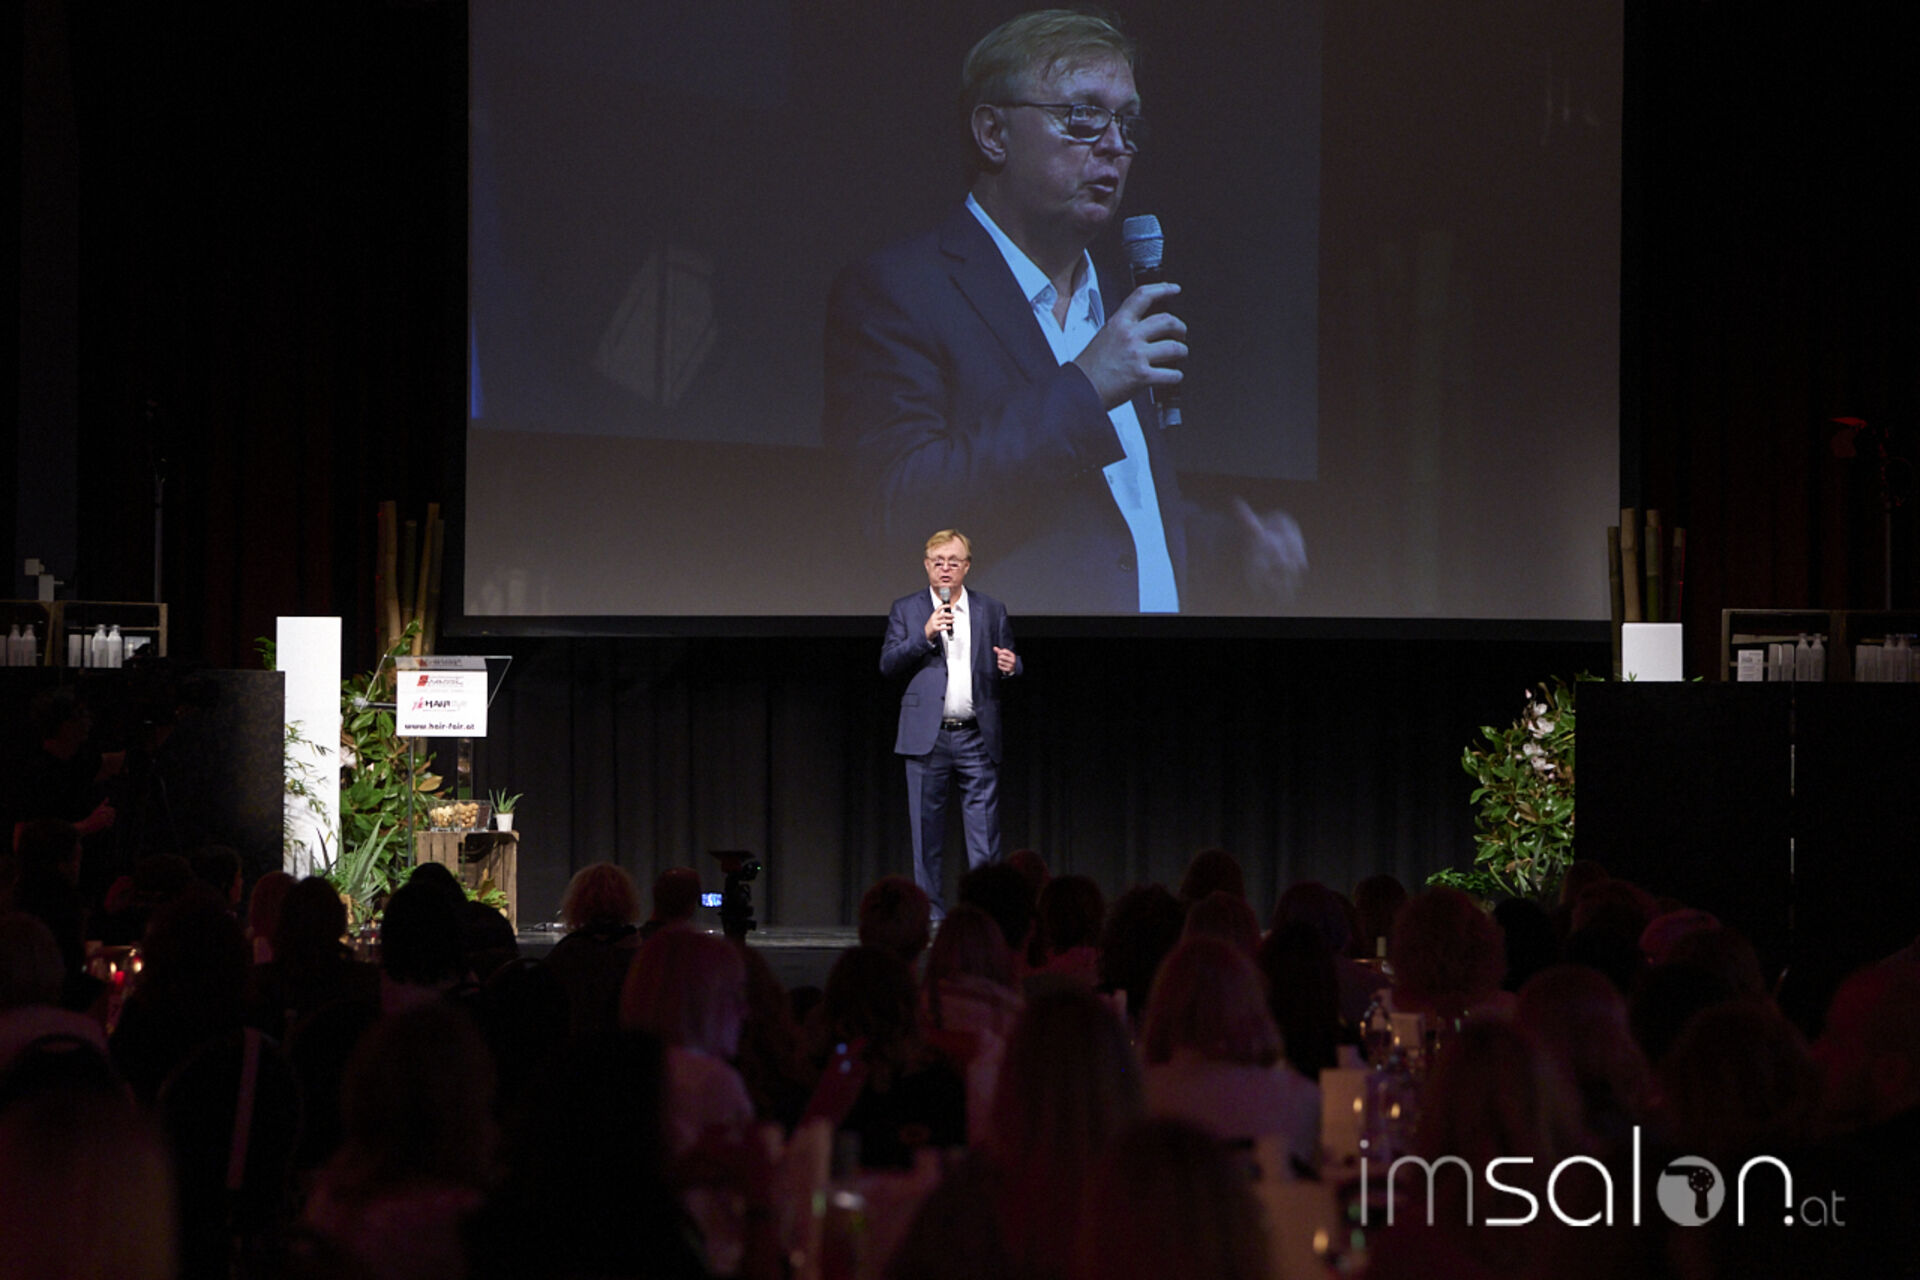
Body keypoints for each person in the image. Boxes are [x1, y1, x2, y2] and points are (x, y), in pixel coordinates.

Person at [823, 9, 1306, 614]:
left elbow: (1106, 520)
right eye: (1082, 117)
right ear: (993, 133)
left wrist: (1234, 549)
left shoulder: (1115, 300)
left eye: (1127, 122)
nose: (1114, 145)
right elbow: (893, 514)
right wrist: (1086, 389)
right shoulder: (902, 291)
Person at [881, 529, 1020, 916]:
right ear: (927, 565)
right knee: (926, 835)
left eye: (953, 562)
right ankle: (932, 914)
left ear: (967, 567)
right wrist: (924, 634)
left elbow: (1010, 657)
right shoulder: (906, 610)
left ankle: (986, 912)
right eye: (938, 562)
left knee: (985, 835)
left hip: (976, 735)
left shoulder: (990, 609)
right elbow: (888, 664)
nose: (945, 568)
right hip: (927, 738)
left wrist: (1012, 666)